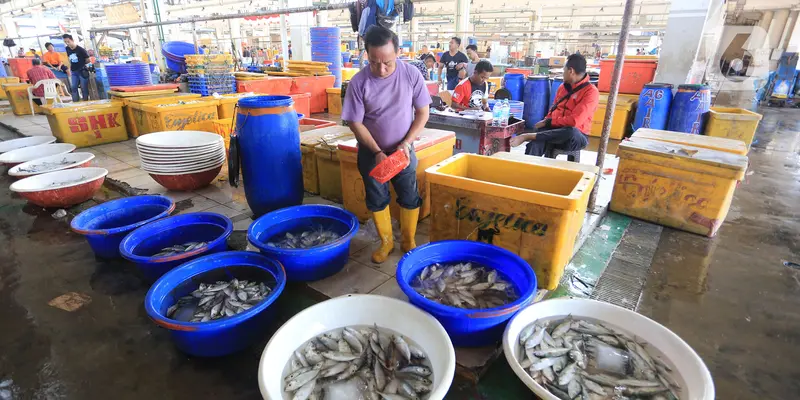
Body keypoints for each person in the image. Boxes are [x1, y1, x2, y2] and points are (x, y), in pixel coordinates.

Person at [341, 25, 431, 264]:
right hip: (373, 153)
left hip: (404, 150)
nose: (381, 69)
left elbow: (423, 112)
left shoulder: (411, 74)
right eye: (373, 62)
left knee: (410, 195)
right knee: (377, 198)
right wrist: (378, 151)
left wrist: (406, 143)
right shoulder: (359, 82)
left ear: (398, 52)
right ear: (367, 55)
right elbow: (355, 123)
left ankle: (408, 240)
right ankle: (386, 242)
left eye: (387, 63)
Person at [510, 54, 598, 158]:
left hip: (575, 136)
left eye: (564, 70)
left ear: (571, 71)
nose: (563, 73)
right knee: (535, 144)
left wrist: (549, 122)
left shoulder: (591, 92)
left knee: (571, 131)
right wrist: (546, 121)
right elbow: (554, 109)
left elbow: (575, 121)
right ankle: (528, 172)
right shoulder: (562, 87)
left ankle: (528, 136)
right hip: (553, 131)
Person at [63, 34, 90, 102]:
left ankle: (85, 102)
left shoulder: (81, 49)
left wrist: (82, 64)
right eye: (65, 42)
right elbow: (67, 58)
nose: (67, 43)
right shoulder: (67, 49)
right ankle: (75, 103)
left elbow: (88, 59)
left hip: (82, 71)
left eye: (68, 41)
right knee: (74, 87)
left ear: (72, 40)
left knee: (84, 88)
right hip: (74, 71)